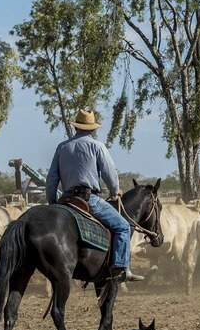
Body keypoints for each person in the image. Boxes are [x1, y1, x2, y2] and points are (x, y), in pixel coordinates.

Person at [45, 108, 143, 282]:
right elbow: (109, 173)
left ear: (76, 127)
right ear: (92, 129)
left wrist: (52, 203)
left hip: (66, 199)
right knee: (123, 227)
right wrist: (115, 191)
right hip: (89, 199)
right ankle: (120, 268)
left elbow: (52, 178)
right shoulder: (97, 146)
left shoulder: (62, 147)